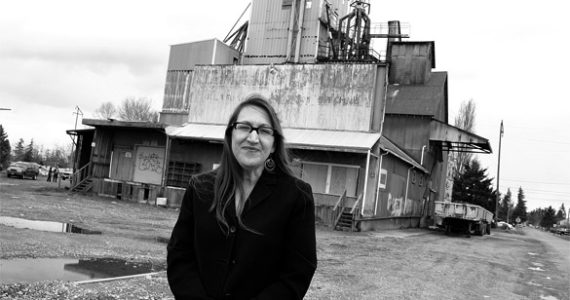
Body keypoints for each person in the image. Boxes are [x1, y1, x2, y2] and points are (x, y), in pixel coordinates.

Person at [167, 96, 317, 299]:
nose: (253, 138)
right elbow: (180, 256)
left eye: (264, 131)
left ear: (273, 144)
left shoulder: (297, 196)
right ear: (231, 135)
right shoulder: (200, 189)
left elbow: (297, 273)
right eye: (245, 127)